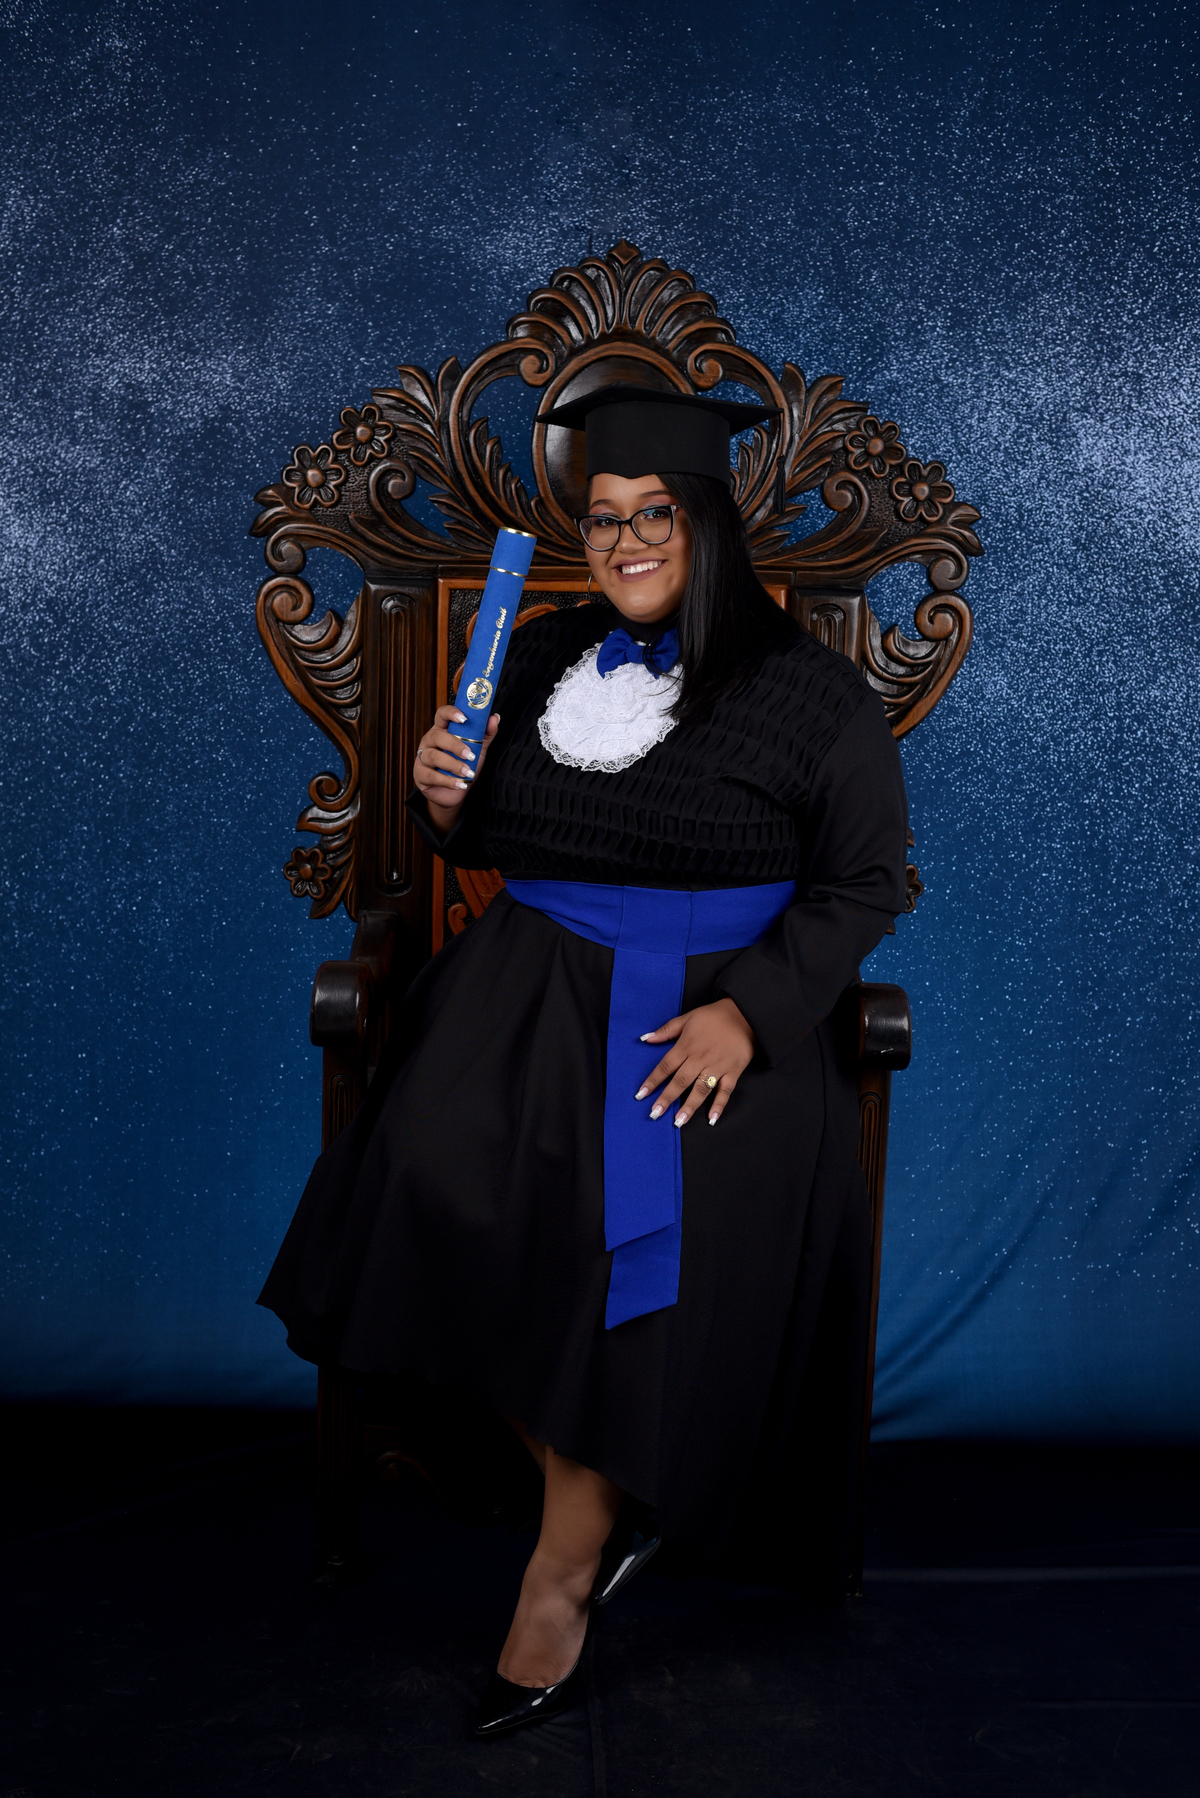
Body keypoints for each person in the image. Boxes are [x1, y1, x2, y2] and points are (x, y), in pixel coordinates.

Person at [259, 383, 909, 1739]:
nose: (624, 541)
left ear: (711, 522)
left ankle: (559, 1577)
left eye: (655, 513)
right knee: (426, 1180)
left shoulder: (812, 695)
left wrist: (753, 1014)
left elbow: (862, 885)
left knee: (637, 1265)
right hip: (523, 999)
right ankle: (610, 1499)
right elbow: (501, 835)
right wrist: (449, 803)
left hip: (705, 1029)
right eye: (605, 517)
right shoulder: (545, 650)